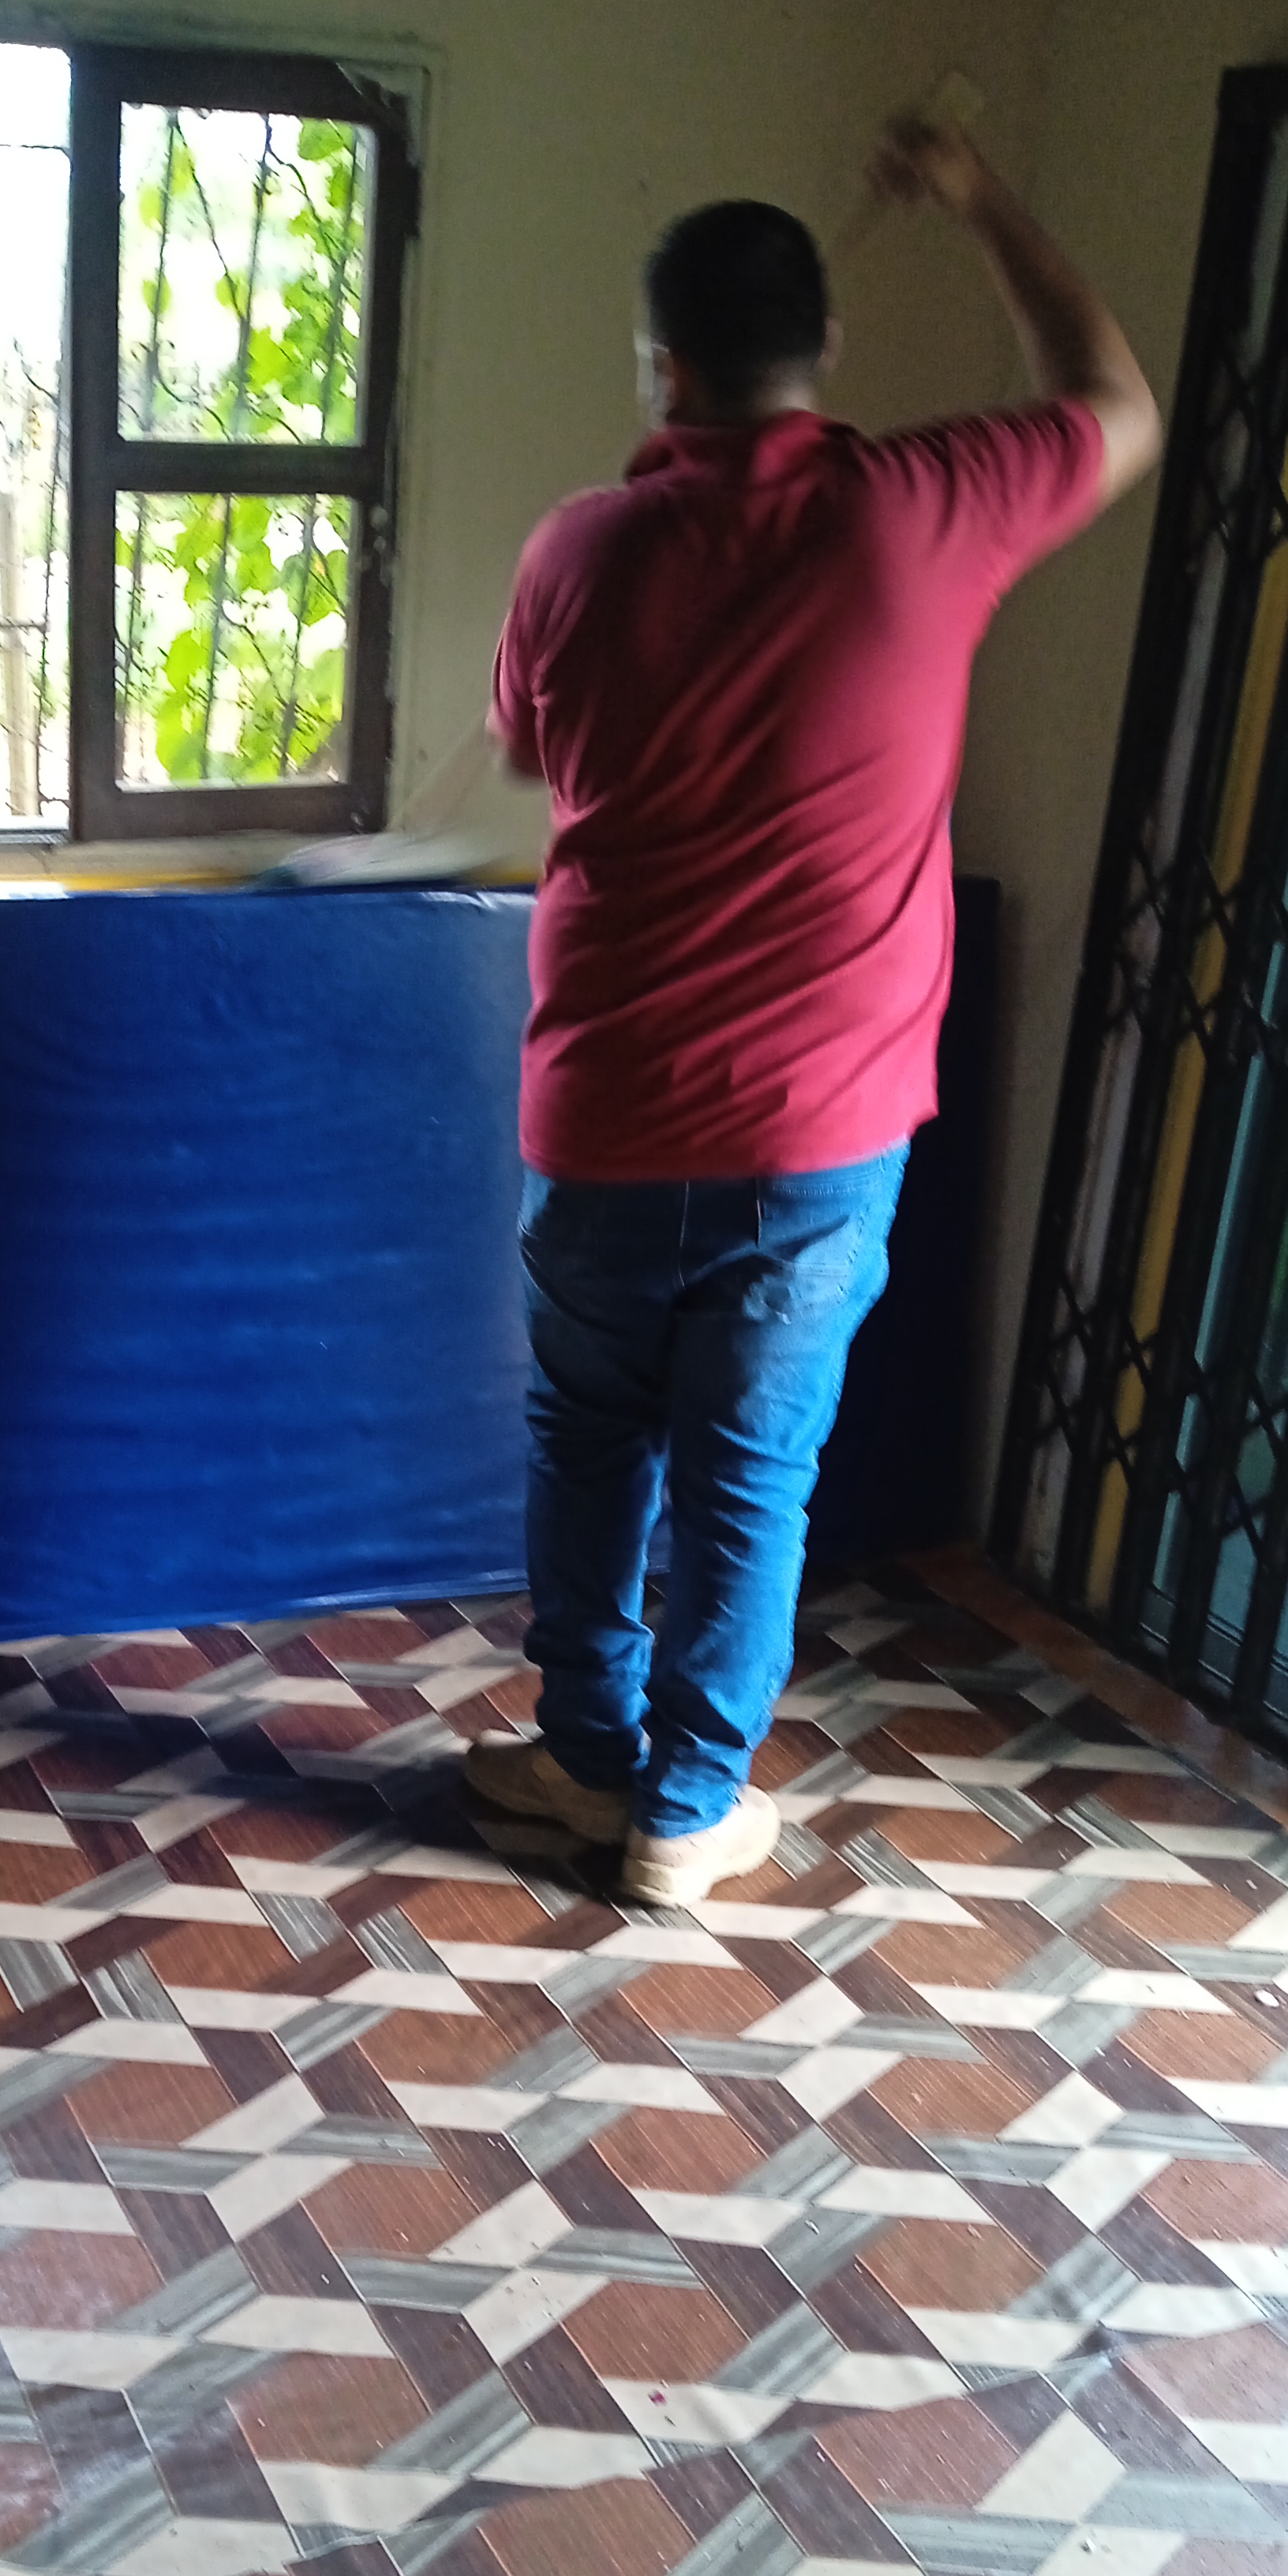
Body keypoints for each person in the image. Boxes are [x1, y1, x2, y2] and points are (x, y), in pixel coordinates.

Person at [465, 116, 1160, 1907]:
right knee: (748, 1478)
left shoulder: (577, 551)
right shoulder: (927, 509)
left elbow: (536, 749)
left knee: (588, 1450)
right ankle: (686, 1813)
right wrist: (980, 192)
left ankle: (586, 1758)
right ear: (826, 347)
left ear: (664, 364)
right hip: (816, 1137)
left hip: (605, 1117)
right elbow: (1117, 401)